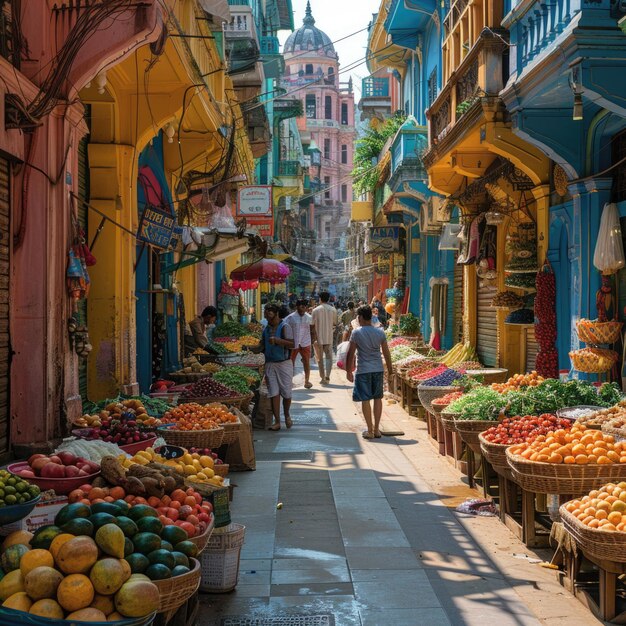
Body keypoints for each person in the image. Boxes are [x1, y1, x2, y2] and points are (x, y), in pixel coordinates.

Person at [346, 305, 393, 440]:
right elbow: (386, 353)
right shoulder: (380, 332)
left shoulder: (356, 332)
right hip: (378, 369)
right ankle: (377, 429)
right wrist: (390, 371)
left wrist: (348, 371)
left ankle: (370, 430)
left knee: (365, 399)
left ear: (360, 317)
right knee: (378, 398)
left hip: (363, 371)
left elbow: (350, 353)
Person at [261, 304, 295, 430]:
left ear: (275, 314)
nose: (267, 317)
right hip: (270, 363)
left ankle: (287, 415)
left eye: (269, 314)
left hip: (284, 363)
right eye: (266, 314)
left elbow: (292, 344)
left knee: (286, 392)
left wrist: (277, 340)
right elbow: (262, 345)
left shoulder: (285, 326)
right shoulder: (266, 329)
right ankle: (277, 421)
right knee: (273, 392)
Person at [287, 299, 316, 389]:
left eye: (305, 306)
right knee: (290, 363)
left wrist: (312, 342)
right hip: (293, 343)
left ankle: (307, 381)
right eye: (302, 306)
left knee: (306, 362)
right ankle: (289, 381)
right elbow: (286, 329)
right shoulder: (290, 318)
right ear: (297, 307)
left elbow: (313, 330)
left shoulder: (309, 317)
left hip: (305, 342)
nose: (304, 308)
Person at [311, 292, 338, 384]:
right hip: (329, 336)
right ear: (328, 299)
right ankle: (327, 376)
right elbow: (335, 323)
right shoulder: (333, 310)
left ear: (320, 299)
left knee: (319, 359)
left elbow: (312, 325)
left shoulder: (315, 310)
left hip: (318, 338)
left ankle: (322, 378)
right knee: (329, 357)